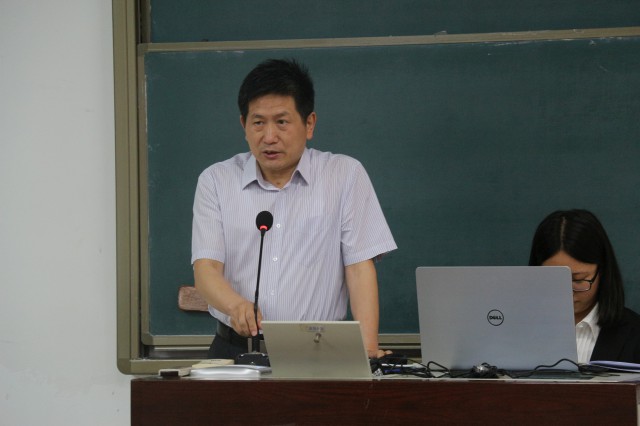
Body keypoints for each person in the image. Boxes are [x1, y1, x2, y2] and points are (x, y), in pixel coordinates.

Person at [191, 58, 397, 360]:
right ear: (243, 125)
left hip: (318, 351)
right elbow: (206, 269)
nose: (269, 137)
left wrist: (366, 351)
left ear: (309, 124)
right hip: (235, 351)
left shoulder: (344, 175)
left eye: (282, 122)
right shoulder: (216, 181)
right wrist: (236, 306)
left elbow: (358, 269)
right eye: (258, 123)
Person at [529, 209, 640, 364]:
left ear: (603, 271)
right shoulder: (515, 328)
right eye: (553, 280)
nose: (566, 293)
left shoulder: (634, 335)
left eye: (578, 280)